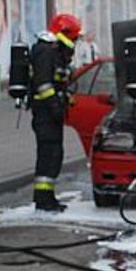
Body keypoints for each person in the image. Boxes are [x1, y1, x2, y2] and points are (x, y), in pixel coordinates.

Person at [28, 13, 82, 211]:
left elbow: (57, 81)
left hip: (49, 113)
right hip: (44, 114)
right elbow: (43, 85)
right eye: (74, 37)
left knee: (53, 154)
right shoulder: (45, 51)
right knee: (48, 155)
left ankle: (46, 197)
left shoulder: (54, 52)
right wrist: (55, 106)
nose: (75, 42)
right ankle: (43, 201)